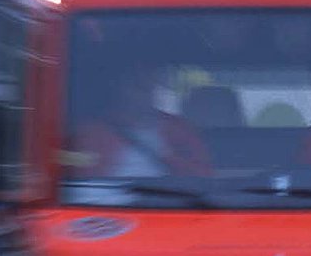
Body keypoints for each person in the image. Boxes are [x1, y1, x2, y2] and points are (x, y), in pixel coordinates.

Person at [70, 68, 212, 177]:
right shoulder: (93, 132)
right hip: (104, 207)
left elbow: (203, 175)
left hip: (172, 203)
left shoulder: (179, 129)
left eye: (151, 86)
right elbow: (77, 174)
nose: (147, 93)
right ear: (122, 90)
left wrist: (168, 157)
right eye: (139, 86)